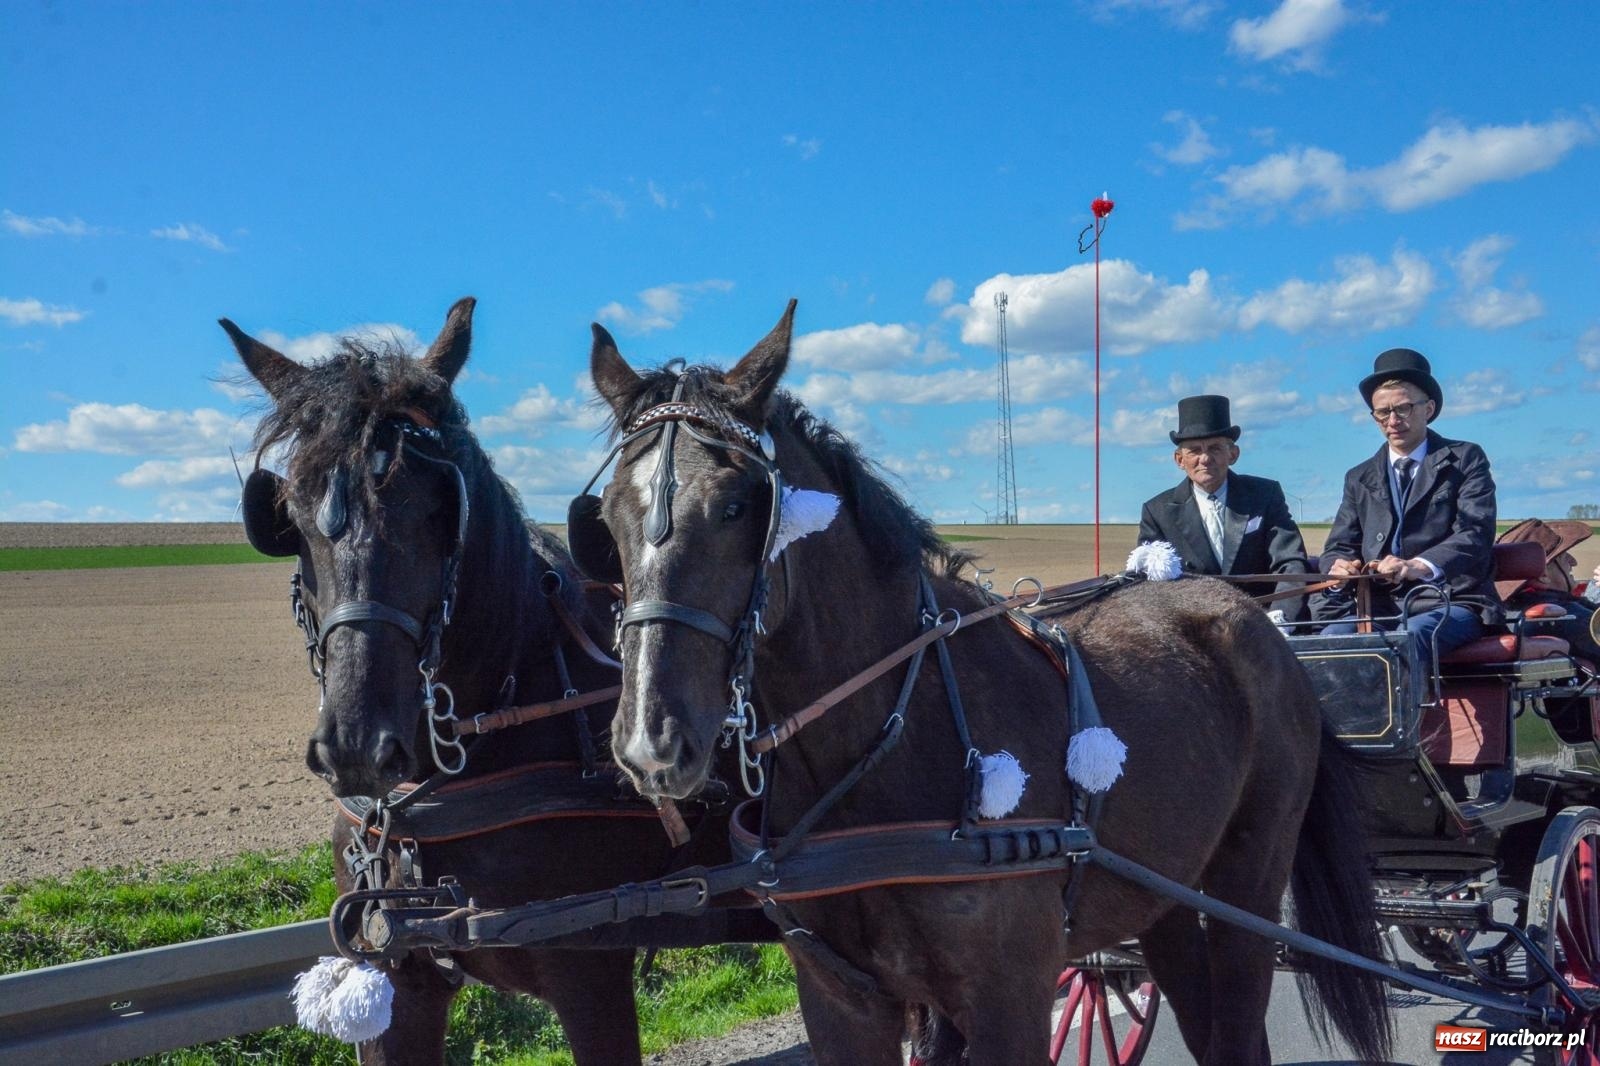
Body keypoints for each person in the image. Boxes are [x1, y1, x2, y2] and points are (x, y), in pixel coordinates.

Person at [1314, 348, 1500, 661]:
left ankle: (1406, 712)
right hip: (1377, 607)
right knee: (1331, 640)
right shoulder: (1358, 478)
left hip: (1451, 601)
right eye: (1382, 413)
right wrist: (1339, 567)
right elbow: (1339, 546)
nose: (1393, 420)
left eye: (1403, 408)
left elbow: (1475, 533)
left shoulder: (1465, 459)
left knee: (1408, 639)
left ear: (1428, 408)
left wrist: (1416, 566)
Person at [1137, 394, 1311, 620]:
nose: (1205, 458)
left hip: (1264, 625)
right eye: (1195, 451)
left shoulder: (1265, 495)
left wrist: (1280, 619)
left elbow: (1290, 564)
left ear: (1233, 454)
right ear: (1179, 460)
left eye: (1215, 448)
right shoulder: (1158, 512)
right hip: (1197, 634)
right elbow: (1149, 587)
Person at [1497, 518, 1600, 661]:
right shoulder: (1565, 615)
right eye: (1563, 556)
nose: (1573, 562)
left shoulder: (1503, 612)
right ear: (1544, 575)